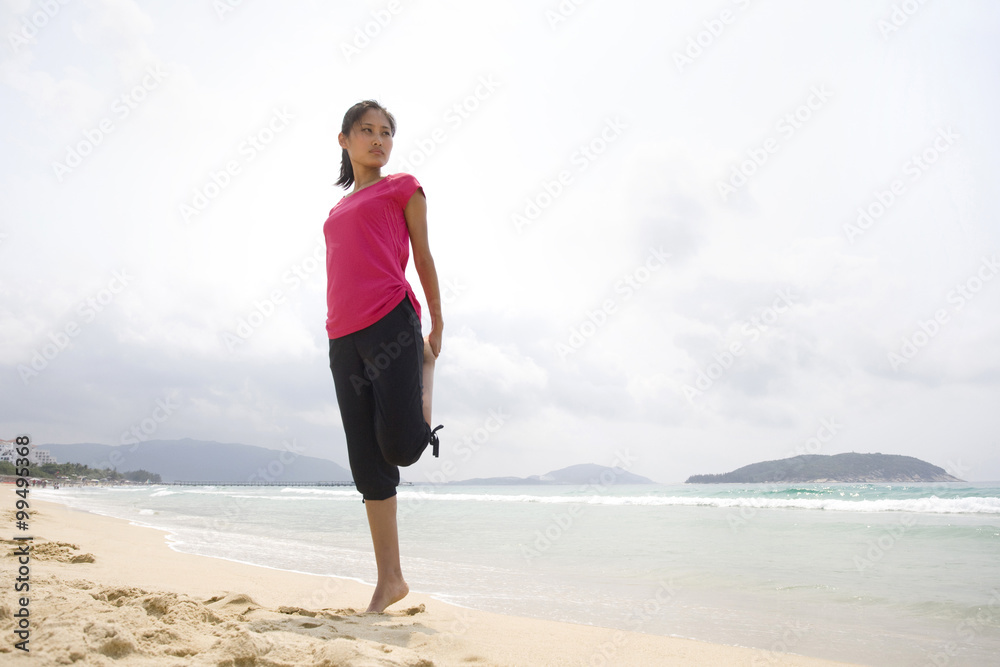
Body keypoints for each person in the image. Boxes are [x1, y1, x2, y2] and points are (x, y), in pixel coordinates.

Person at [324, 99, 443, 613]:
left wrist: (437, 322)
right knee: (365, 461)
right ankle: (389, 580)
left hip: (392, 320)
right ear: (344, 140)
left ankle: (426, 374)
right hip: (342, 334)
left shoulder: (403, 188)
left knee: (400, 448)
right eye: (367, 130)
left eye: (386, 132)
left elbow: (423, 253)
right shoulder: (334, 211)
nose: (378, 139)